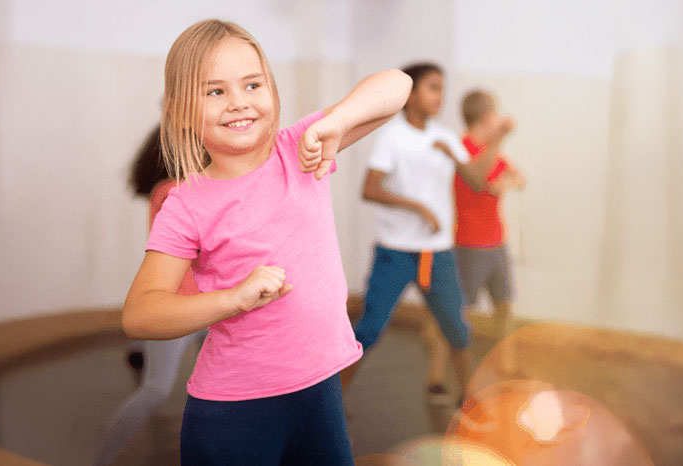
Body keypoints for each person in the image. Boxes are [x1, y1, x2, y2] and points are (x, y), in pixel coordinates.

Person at [122, 19, 412, 465]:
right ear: (180, 111)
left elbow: (398, 85)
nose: (239, 102)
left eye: (252, 84)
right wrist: (232, 299)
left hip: (320, 391)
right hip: (234, 413)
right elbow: (141, 312)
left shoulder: (300, 149)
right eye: (215, 91)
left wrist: (336, 122)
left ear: (272, 90)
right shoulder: (186, 205)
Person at [338, 62, 515, 406]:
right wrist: (418, 207)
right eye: (433, 87)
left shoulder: (445, 137)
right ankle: (331, 403)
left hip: (438, 254)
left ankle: (469, 398)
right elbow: (369, 189)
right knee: (370, 329)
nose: (440, 96)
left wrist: (494, 139)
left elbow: (477, 180)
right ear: (411, 94)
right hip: (396, 253)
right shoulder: (393, 136)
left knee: (457, 329)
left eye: (442, 88)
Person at [92, 126, 205, 466]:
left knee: (220, 389)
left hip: (209, 306)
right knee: (155, 390)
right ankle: (100, 460)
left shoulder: (192, 187)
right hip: (177, 309)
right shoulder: (170, 191)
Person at [420, 88, 526, 404]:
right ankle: (435, 379)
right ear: (486, 118)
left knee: (504, 306)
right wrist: (499, 146)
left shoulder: (488, 150)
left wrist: (504, 183)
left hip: (496, 243)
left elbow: (518, 177)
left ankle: (507, 368)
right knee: (455, 313)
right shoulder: (463, 149)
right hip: (469, 246)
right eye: (495, 114)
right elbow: (478, 179)